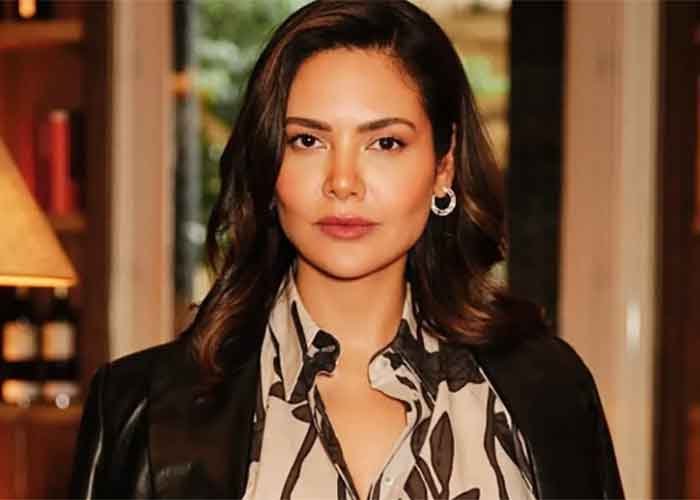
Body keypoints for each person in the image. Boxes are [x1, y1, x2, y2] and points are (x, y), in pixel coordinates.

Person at [69, 1, 624, 499]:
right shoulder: (138, 410)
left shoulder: (550, 391)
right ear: (269, 165)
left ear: (444, 164)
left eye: (385, 142)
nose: (342, 182)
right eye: (307, 140)